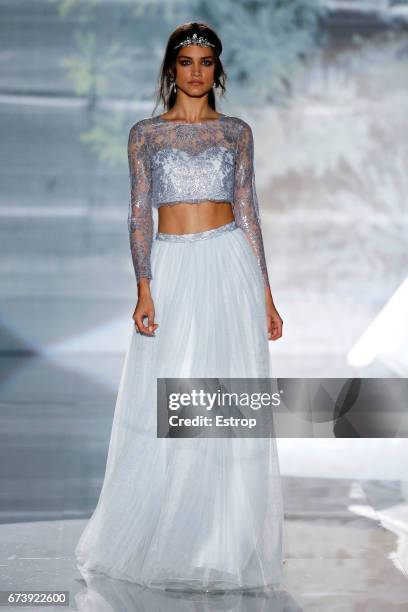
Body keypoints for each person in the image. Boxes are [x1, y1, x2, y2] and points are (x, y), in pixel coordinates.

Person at [75, 21, 285, 593]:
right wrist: (144, 285)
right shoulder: (146, 134)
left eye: (205, 62)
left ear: (219, 70)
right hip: (171, 267)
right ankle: (169, 536)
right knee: (169, 398)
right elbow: (139, 211)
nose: (196, 72)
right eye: (186, 62)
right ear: (171, 70)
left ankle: (218, 543)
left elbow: (249, 209)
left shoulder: (236, 132)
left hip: (229, 263)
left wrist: (265, 292)